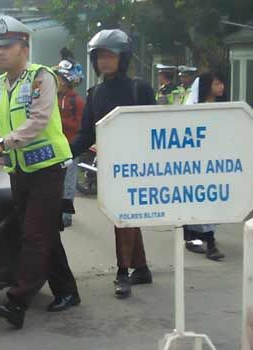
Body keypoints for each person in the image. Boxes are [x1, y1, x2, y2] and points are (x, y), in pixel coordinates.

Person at [0, 15, 80, 328]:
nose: (0, 53)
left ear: (24, 48)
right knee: (41, 232)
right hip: (21, 169)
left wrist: (2, 143)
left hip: (50, 167)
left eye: (7, 46)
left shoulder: (41, 78)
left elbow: (38, 121)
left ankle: (18, 301)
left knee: (34, 235)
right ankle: (67, 291)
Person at [69, 29, 155, 299]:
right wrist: (65, 153)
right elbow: (86, 133)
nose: (105, 61)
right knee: (126, 215)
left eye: (111, 55)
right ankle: (140, 268)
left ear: (123, 58)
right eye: (100, 56)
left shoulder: (139, 88)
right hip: (111, 164)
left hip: (138, 164)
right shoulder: (94, 93)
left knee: (123, 215)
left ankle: (122, 272)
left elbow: (157, 128)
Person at [183, 71, 228, 260]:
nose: (221, 87)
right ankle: (206, 242)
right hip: (195, 164)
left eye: (221, 84)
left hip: (213, 163)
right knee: (195, 201)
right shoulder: (192, 108)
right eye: (217, 83)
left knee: (210, 201)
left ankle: (203, 238)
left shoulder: (222, 108)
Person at [52, 49, 85, 227]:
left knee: (68, 183)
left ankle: (66, 213)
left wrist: (59, 120)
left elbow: (80, 126)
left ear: (67, 81)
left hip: (71, 147)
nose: (56, 82)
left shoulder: (77, 101)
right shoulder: (52, 98)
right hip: (54, 146)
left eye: (59, 79)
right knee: (55, 181)